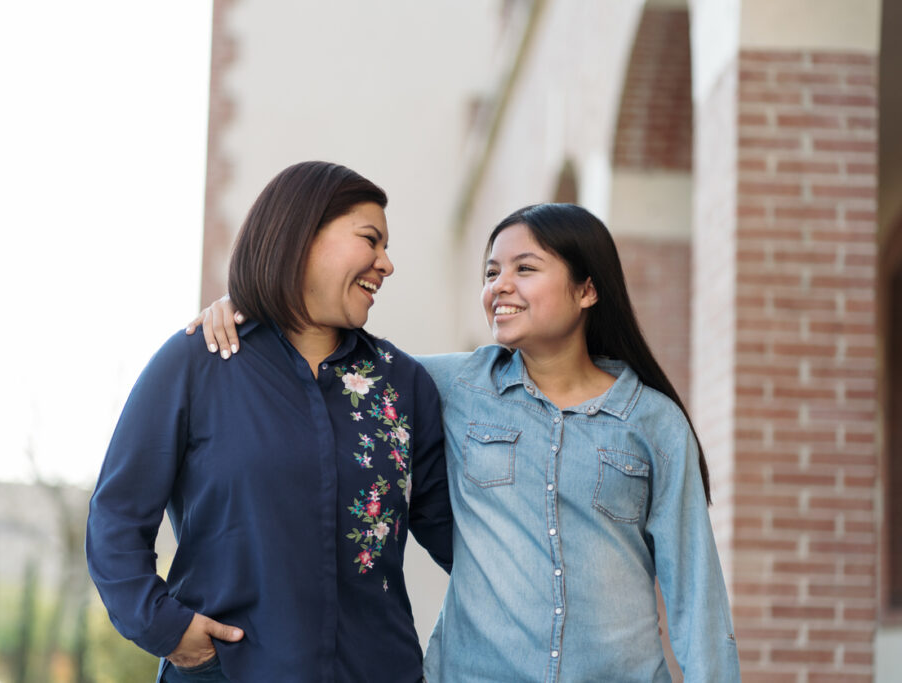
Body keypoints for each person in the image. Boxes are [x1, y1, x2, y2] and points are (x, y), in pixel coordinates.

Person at [190, 203, 741, 681]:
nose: (500, 286)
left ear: (588, 289)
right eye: (492, 271)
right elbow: (330, 355)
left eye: (525, 269)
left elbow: (695, 590)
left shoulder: (653, 421)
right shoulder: (443, 386)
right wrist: (248, 309)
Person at [87, 161, 452, 683]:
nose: (387, 264)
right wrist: (166, 627)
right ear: (302, 234)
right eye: (371, 239)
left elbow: (460, 540)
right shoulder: (198, 363)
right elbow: (116, 518)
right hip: (230, 672)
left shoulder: (403, 384)